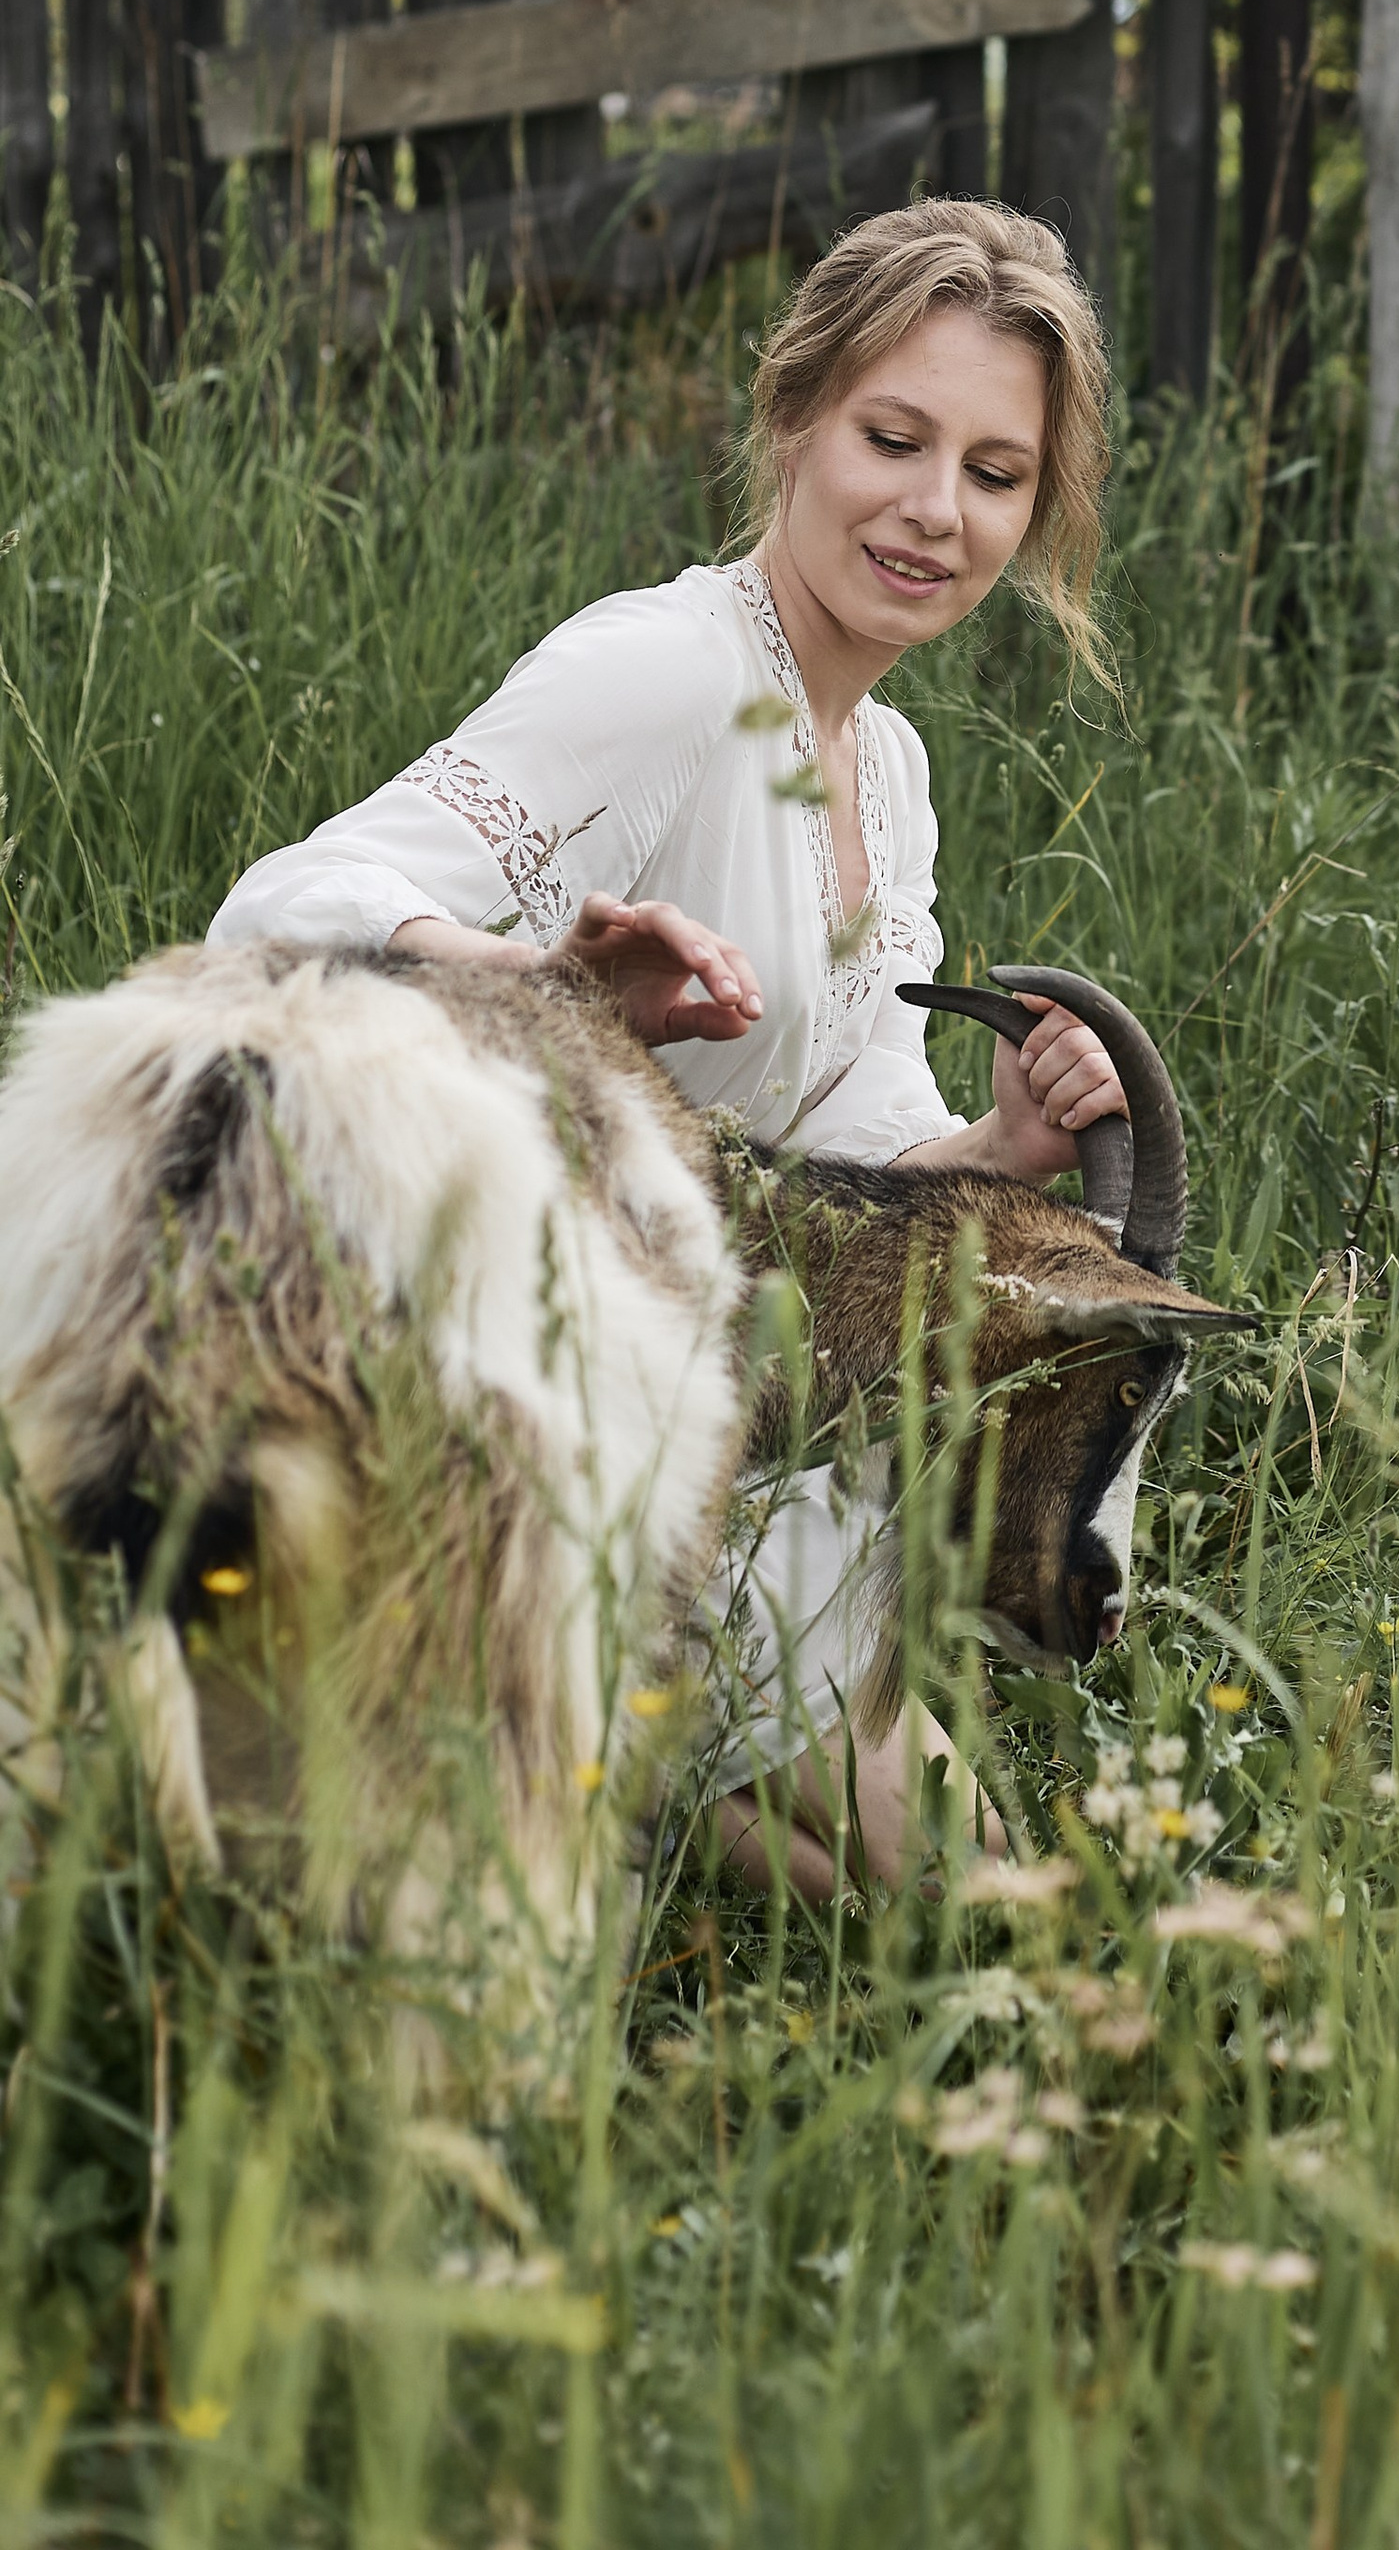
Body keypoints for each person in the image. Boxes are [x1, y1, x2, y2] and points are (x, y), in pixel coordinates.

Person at [211, 196, 1126, 1901]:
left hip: (699, 1418)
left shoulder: (888, 767)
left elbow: (846, 1141)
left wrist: (992, 1154)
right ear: (793, 419)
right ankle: (437, 1710)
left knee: (923, 1883)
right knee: (946, 1883)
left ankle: (578, 1772)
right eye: (894, 437)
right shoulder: (669, 676)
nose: (936, 511)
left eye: (996, 474)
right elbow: (276, 909)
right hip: (489, 1414)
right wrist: (526, 975)